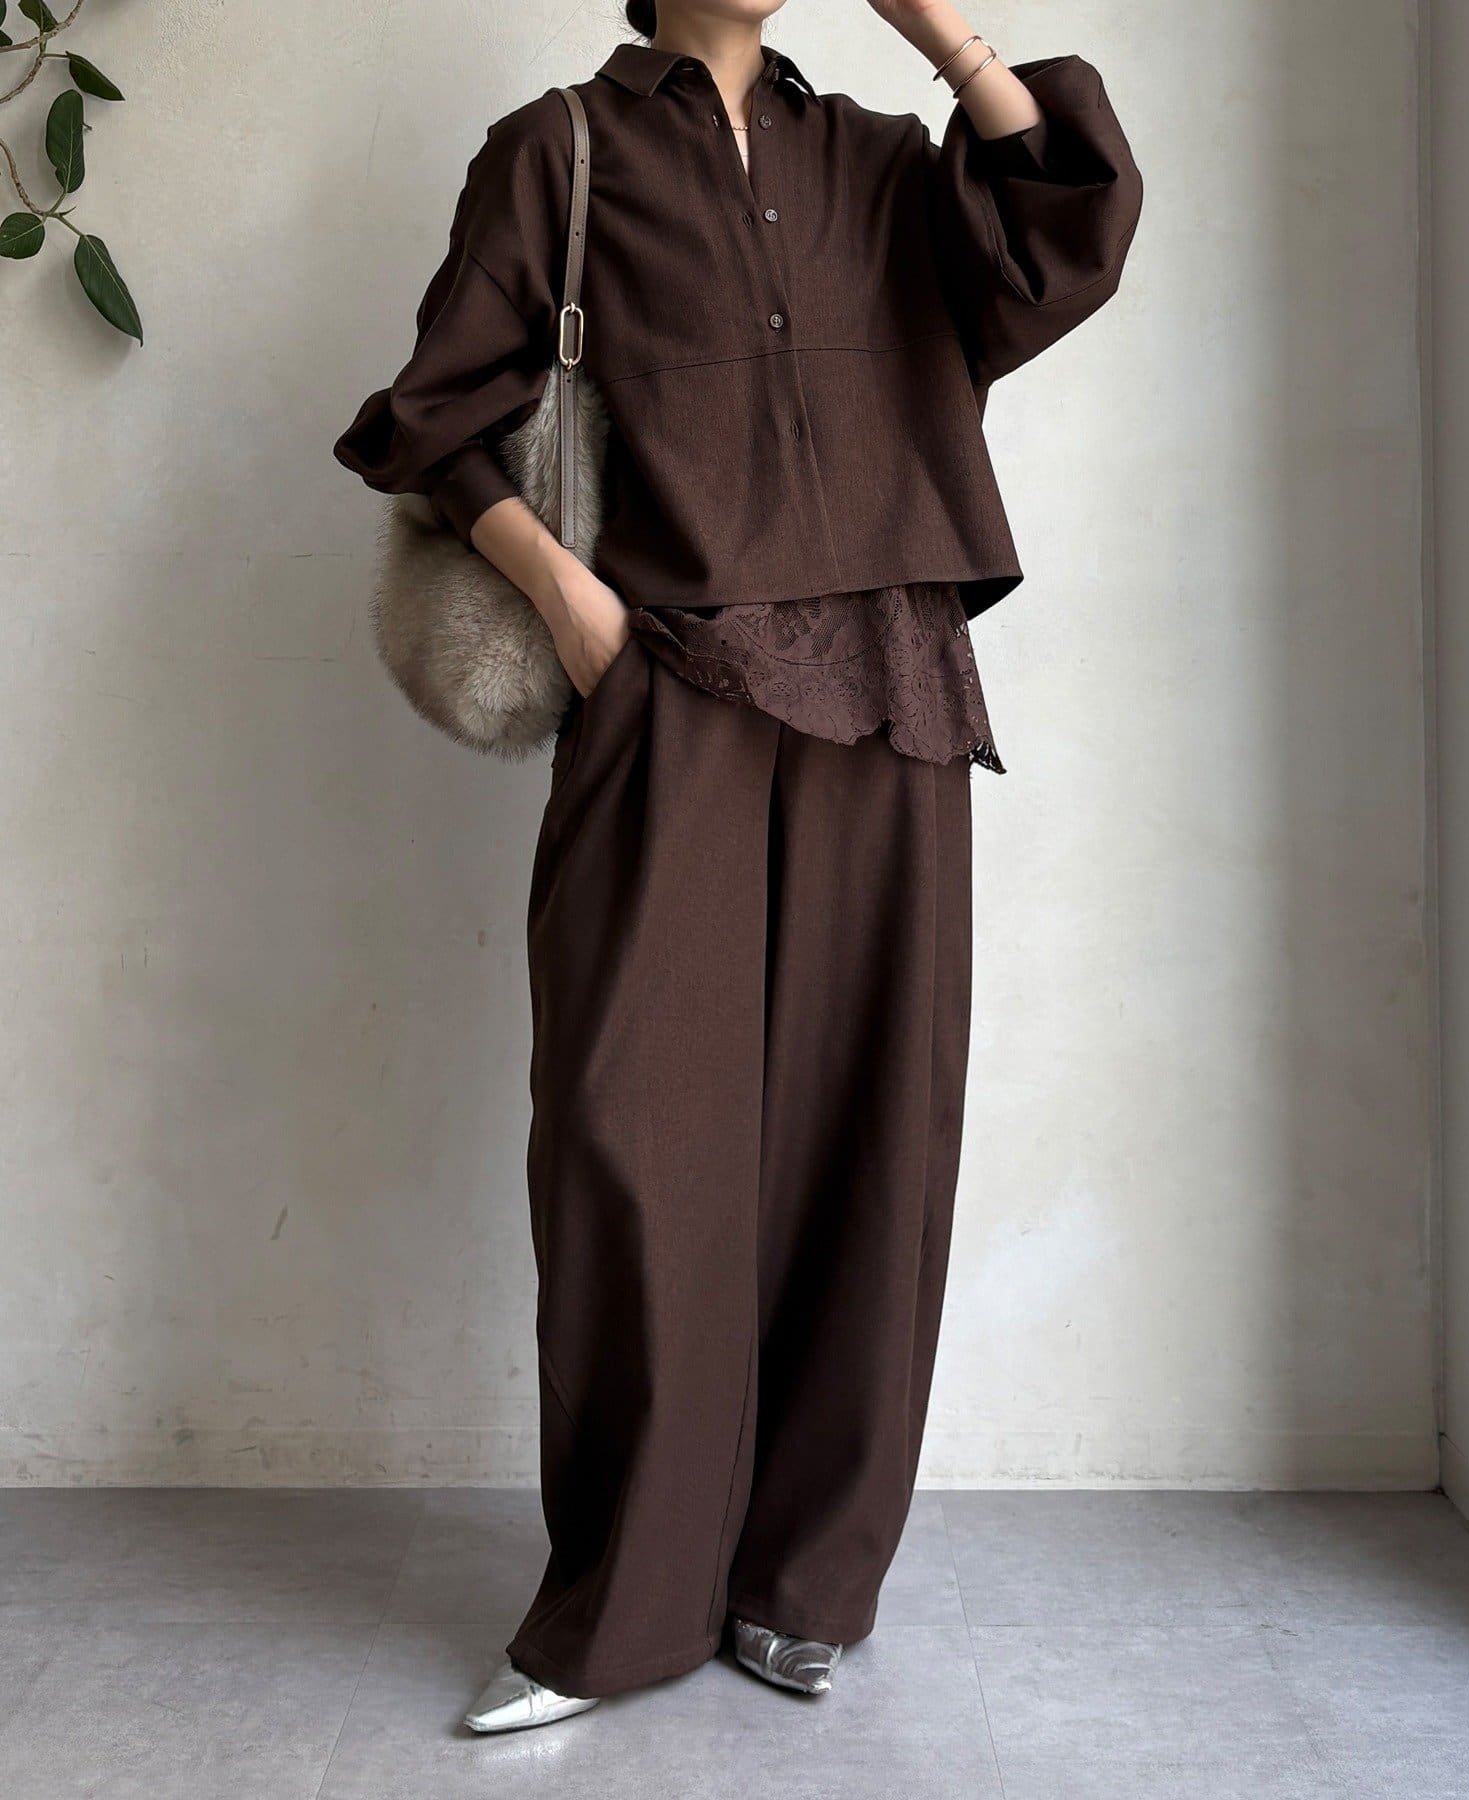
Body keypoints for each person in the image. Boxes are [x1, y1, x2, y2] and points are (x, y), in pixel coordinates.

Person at [335, 0, 1141, 1733]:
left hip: (890, 683)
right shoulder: (560, 149)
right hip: (670, 685)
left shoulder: (881, 156)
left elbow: (1065, 241)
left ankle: (805, 1584)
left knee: (873, 1130)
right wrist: (576, 606)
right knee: (636, 1136)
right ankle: (620, 1607)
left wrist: (942, 30)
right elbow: (433, 415)